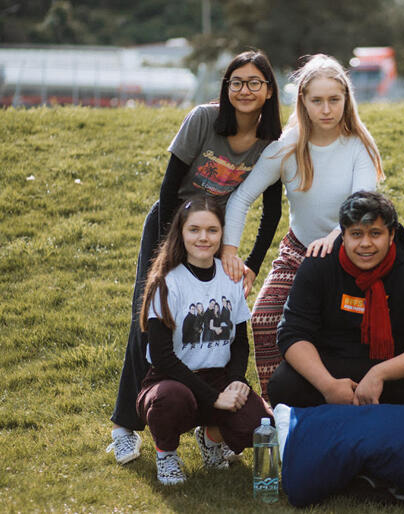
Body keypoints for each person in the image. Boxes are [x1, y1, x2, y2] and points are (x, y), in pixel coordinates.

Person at [107, 50, 283, 465]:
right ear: (226, 87)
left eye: (254, 82)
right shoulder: (204, 119)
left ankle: (212, 429)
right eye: (236, 82)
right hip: (171, 227)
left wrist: (252, 261)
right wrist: (171, 253)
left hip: (214, 237)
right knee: (149, 320)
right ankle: (124, 426)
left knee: (214, 321)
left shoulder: (271, 141)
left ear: (269, 91)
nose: (244, 90)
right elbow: (170, 189)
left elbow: (273, 209)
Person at [222, 54, 384, 401]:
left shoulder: (360, 146)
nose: (326, 109)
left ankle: (347, 401)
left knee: (343, 333)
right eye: (317, 100)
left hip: (353, 252)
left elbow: (365, 206)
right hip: (299, 251)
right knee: (264, 319)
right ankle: (277, 411)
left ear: (346, 100)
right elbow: (240, 198)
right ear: (303, 102)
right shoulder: (288, 145)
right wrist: (230, 251)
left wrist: (337, 235)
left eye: (334, 100)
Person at [268, 191, 404, 409]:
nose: (365, 244)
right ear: (343, 235)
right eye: (356, 234)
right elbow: (292, 334)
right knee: (283, 383)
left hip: (392, 370)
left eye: (375, 233)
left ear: (391, 235)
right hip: (332, 367)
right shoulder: (317, 265)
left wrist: (380, 374)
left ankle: (396, 432)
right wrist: (328, 385)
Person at [135, 196, 273, 485]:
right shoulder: (167, 282)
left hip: (218, 376)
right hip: (171, 379)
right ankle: (167, 454)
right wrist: (214, 398)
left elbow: (239, 341)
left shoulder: (230, 276)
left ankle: (211, 438)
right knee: (168, 400)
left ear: (223, 234)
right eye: (194, 230)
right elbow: (161, 356)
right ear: (180, 233)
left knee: (259, 426)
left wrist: (236, 380)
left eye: (212, 230)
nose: (203, 237)